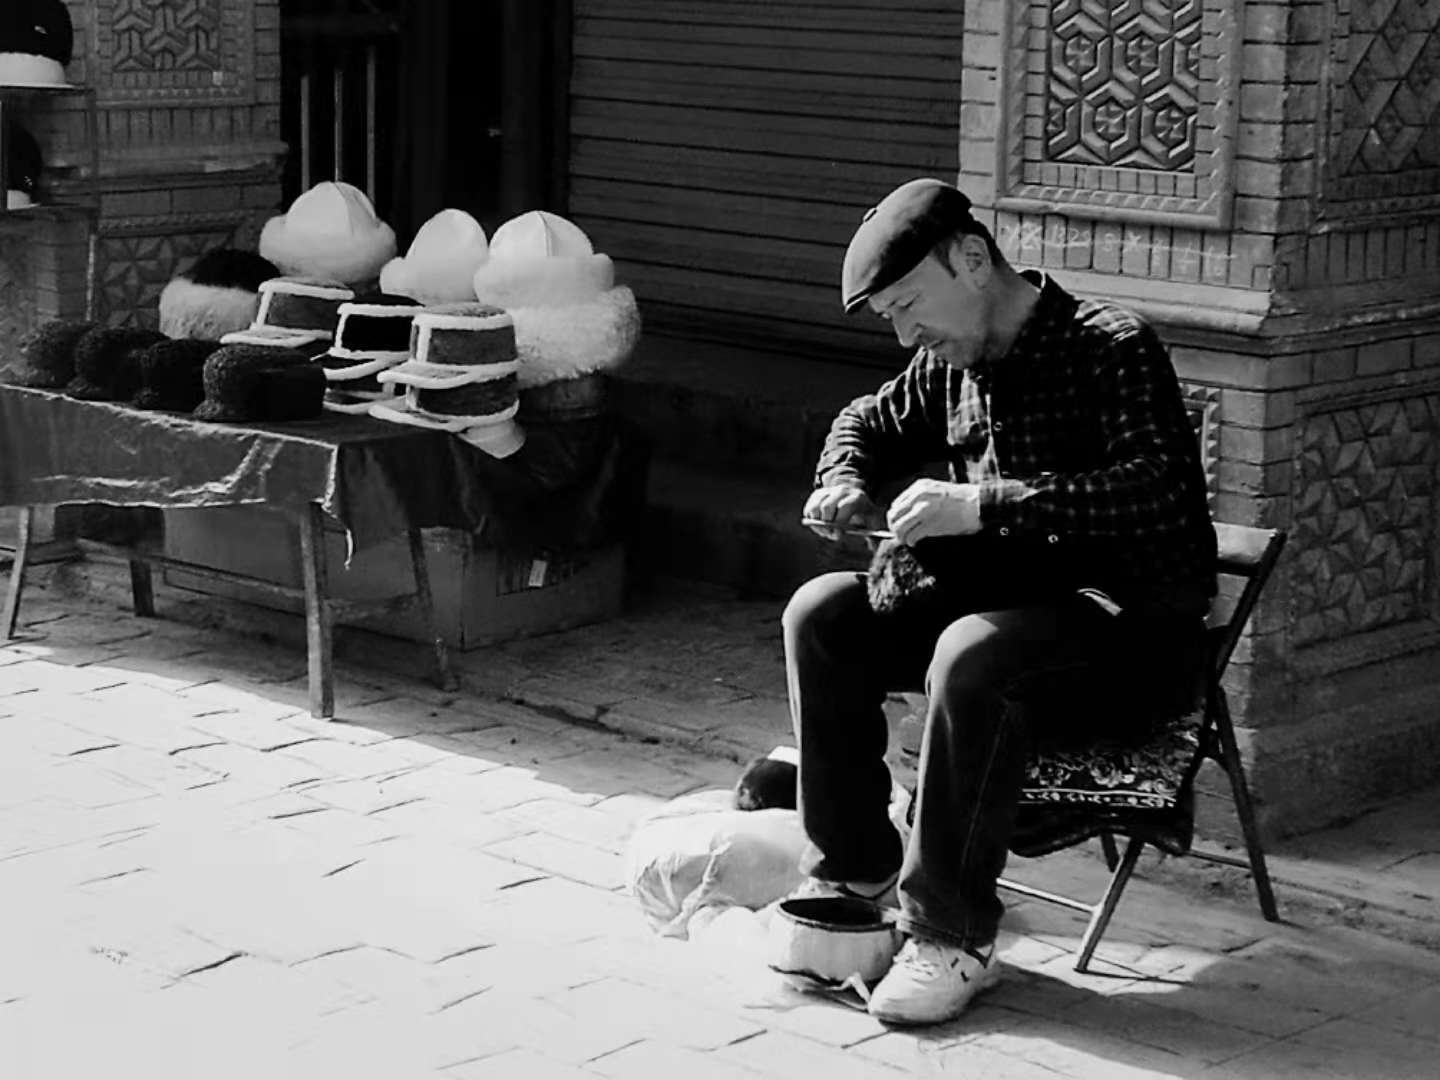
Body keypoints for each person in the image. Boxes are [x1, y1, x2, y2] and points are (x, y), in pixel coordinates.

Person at [784, 177, 1217, 1025]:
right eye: (891, 319)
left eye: (912, 306)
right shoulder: (949, 365)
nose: (907, 335)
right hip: (1005, 622)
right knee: (824, 613)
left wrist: (985, 504)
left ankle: (950, 934)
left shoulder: (1111, 345)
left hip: (1125, 634)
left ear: (974, 260)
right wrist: (842, 480)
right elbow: (864, 420)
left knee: (973, 653)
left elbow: (1157, 491)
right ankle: (856, 873)